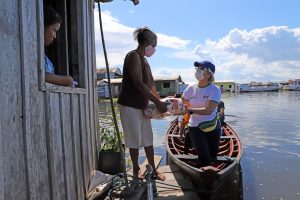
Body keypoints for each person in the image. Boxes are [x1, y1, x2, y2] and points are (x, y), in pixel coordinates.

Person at [117, 27, 168, 181]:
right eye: (154, 46)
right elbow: (138, 83)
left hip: (142, 106)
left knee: (148, 138)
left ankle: (152, 169)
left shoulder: (145, 61)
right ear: (146, 43)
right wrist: (157, 102)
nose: (154, 49)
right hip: (129, 105)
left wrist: (163, 101)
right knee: (133, 140)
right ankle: (135, 169)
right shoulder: (133, 56)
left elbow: (150, 86)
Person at [179, 61, 222, 171]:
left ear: (209, 74)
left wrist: (190, 110)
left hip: (212, 126)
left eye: (201, 69)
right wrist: (182, 107)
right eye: (197, 68)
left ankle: (205, 170)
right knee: (204, 158)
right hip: (195, 127)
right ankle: (204, 178)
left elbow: (209, 110)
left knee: (213, 156)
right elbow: (183, 101)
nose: (197, 71)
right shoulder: (190, 88)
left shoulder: (214, 89)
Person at [44, 6, 74, 86]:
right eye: (54, 30)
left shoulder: (44, 57)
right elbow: (39, 75)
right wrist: (68, 80)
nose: (55, 36)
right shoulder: (32, 52)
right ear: (43, 26)